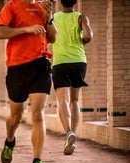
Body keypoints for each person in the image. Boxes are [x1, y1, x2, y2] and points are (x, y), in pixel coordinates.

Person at [0, 0, 57, 163]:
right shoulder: (12, 6)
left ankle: (37, 161)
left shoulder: (43, 6)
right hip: (17, 68)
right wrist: (26, 29)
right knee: (16, 116)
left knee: (37, 114)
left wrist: (49, 19)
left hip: (40, 64)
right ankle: (9, 141)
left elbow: (53, 38)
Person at [52, 0, 93, 155]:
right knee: (75, 100)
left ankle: (68, 132)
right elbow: (89, 36)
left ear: (60, 2)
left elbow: (47, 37)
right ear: (75, 2)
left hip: (60, 62)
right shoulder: (81, 17)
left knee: (63, 100)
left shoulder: (54, 18)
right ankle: (73, 133)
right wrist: (81, 40)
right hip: (78, 61)